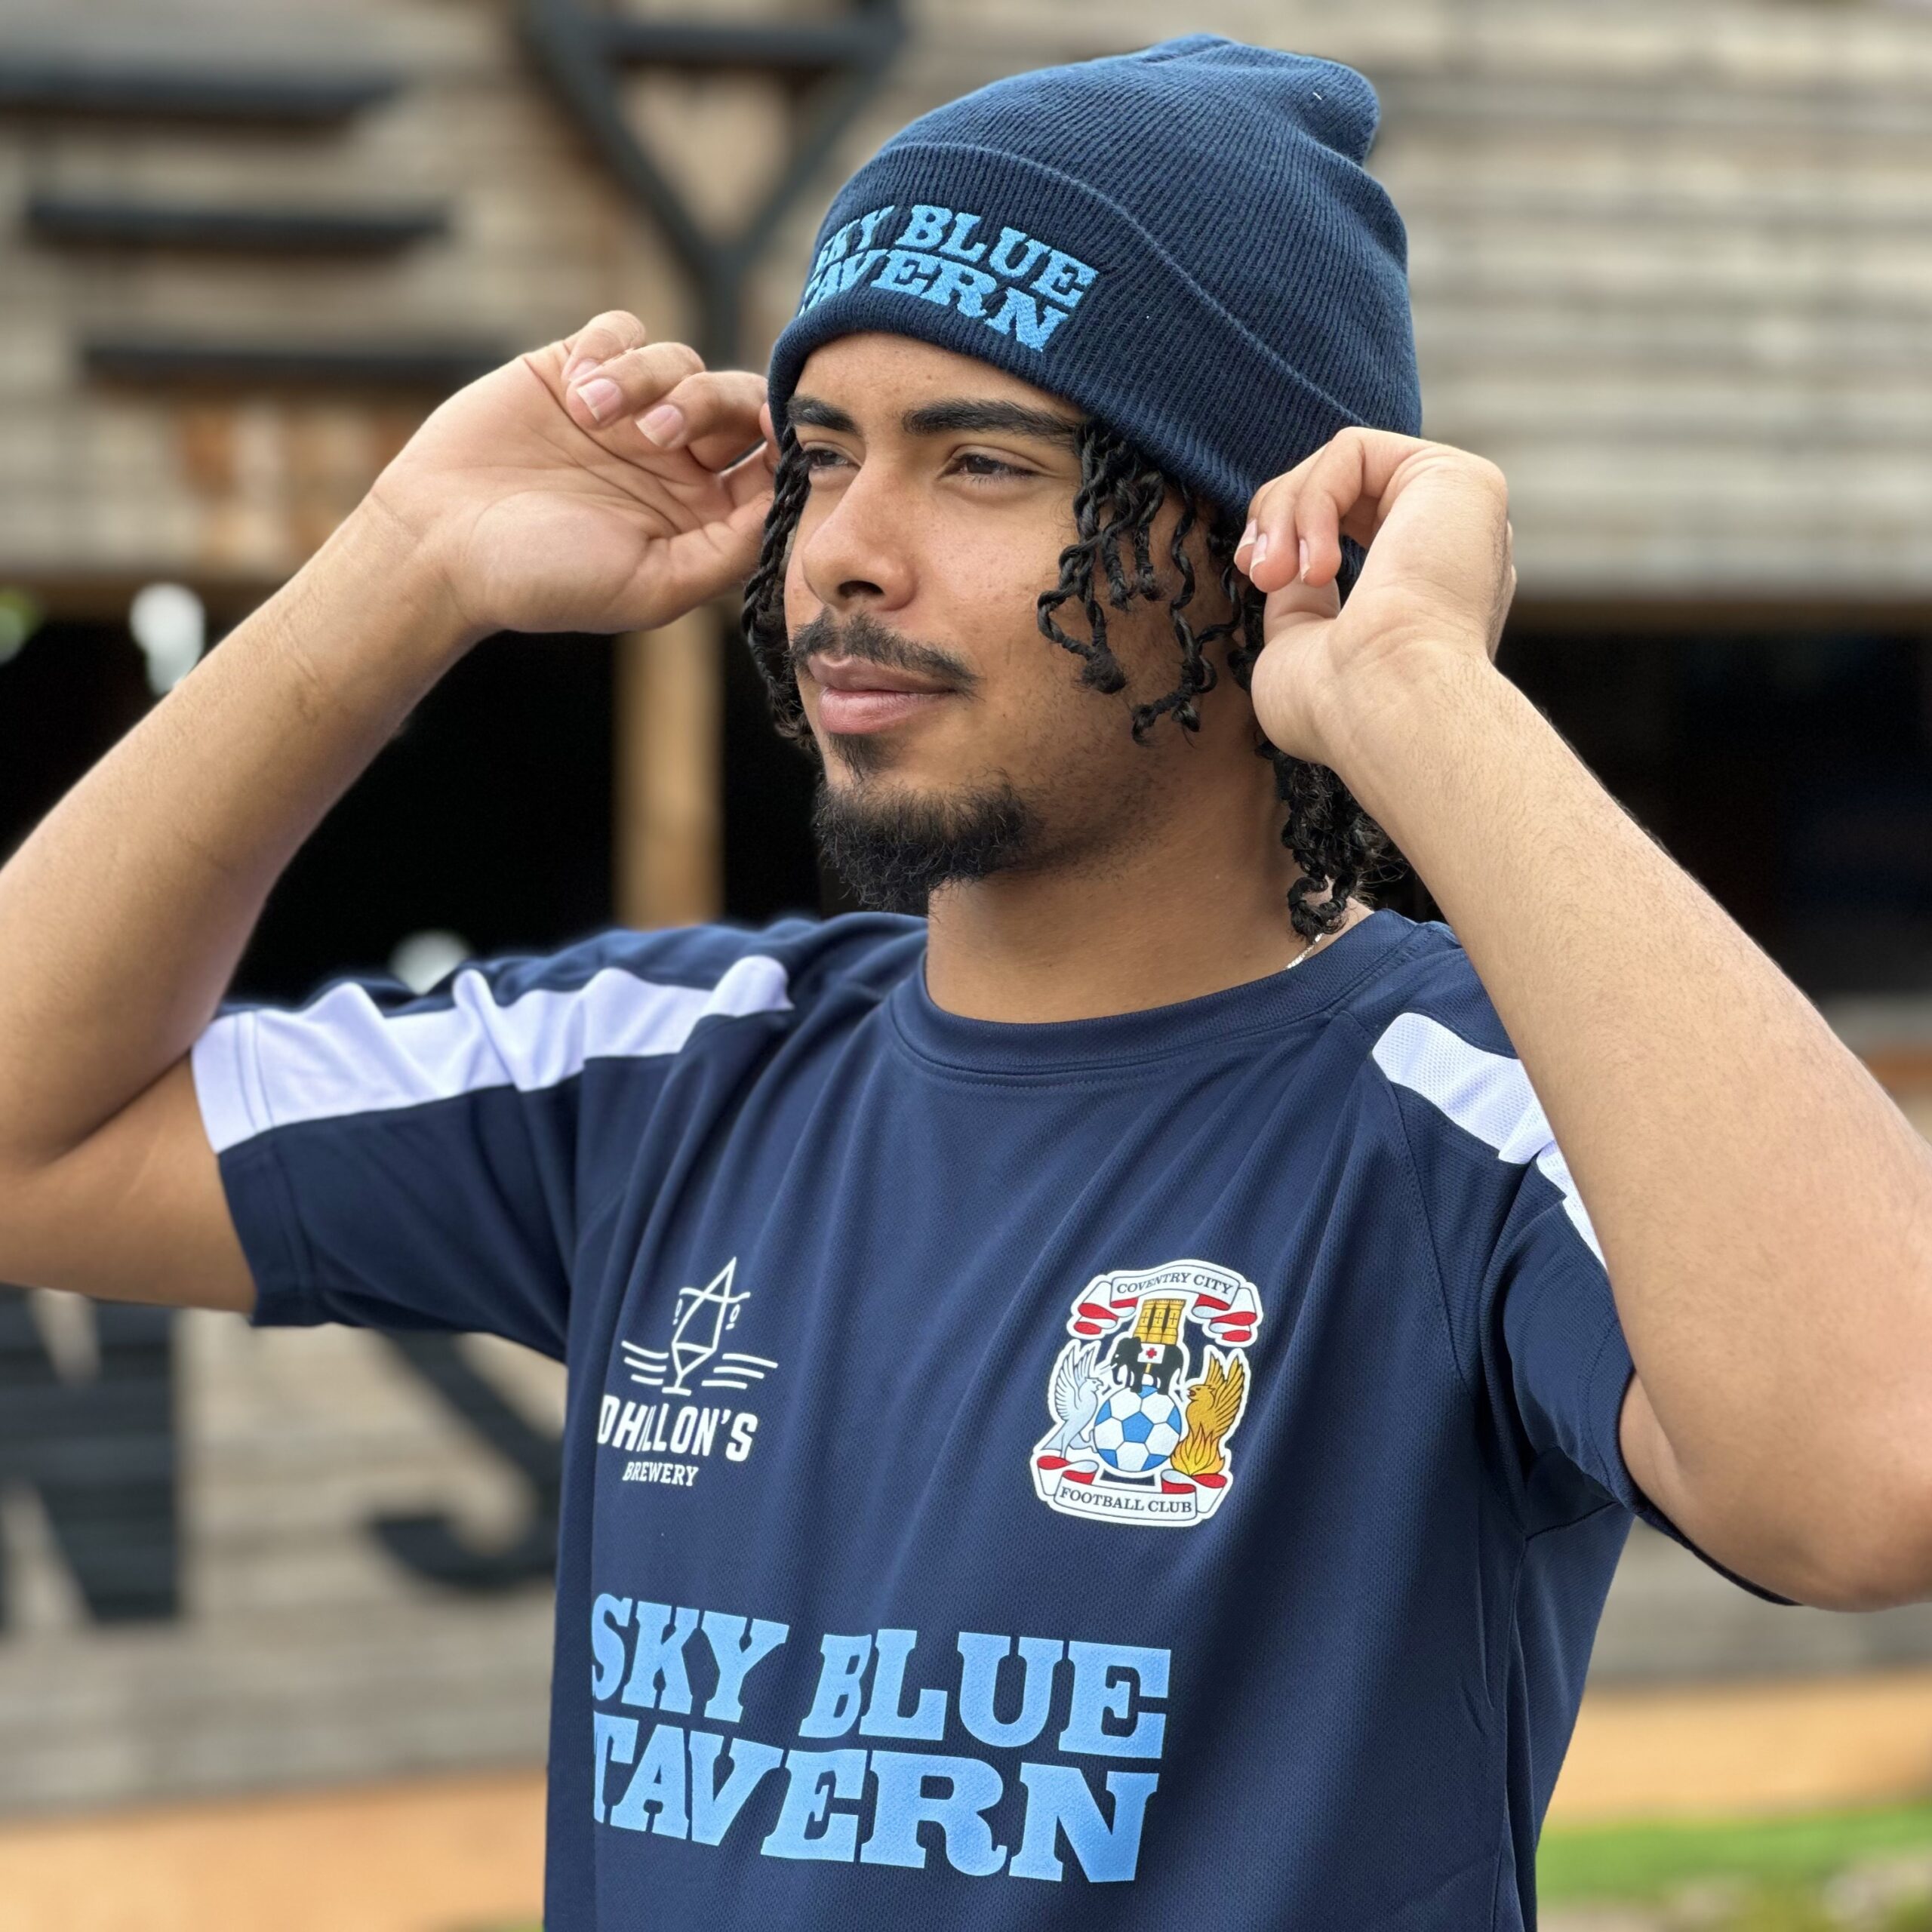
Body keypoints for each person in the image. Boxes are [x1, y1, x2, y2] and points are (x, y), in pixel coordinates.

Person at [1, 33, 1929, 1932]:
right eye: (823, 455)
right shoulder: (661, 1071)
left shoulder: (1460, 1113)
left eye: (981, 462)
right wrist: (403, 563)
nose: (843, 551)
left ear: (1256, 538)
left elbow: (1875, 1471)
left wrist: (1420, 686)